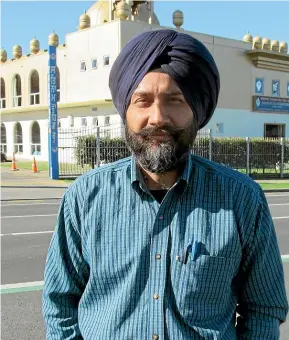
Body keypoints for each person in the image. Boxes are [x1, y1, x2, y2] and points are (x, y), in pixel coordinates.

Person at [42, 29, 288, 339]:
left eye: (175, 101)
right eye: (142, 101)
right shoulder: (85, 197)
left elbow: (264, 309)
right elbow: (60, 302)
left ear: (197, 112)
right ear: (125, 111)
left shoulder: (241, 198)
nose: (157, 117)